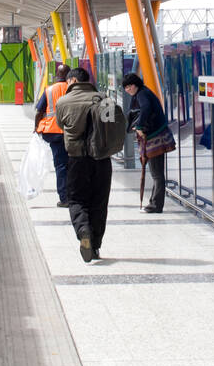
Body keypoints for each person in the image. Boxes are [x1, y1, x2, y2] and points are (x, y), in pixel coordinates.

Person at [55, 66, 111, 263]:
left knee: (77, 200)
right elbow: (110, 126)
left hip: (77, 159)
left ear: (72, 81)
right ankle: (95, 247)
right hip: (102, 160)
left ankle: (83, 230)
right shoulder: (104, 99)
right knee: (99, 203)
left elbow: (61, 125)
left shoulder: (63, 101)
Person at [123, 73, 176, 214]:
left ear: (136, 85)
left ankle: (156, 205)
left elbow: (146, 108)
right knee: (156, 173)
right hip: (157, 135)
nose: (128, 89)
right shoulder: (143, 92)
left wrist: (139, 126)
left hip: (155, 138)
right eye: (126, 87)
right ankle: (154, 203)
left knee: (157, 173)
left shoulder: (141, 94)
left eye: (130, 86)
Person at [34, 63, 70, 206]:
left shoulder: (49, 90)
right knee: (73, 165)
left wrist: (36, 127)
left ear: (57, 74)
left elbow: (39, 112)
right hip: (72, 132)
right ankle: (75, 196)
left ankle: (64, 198)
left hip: (54, 132)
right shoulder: (73, 89)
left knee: (60, 166)